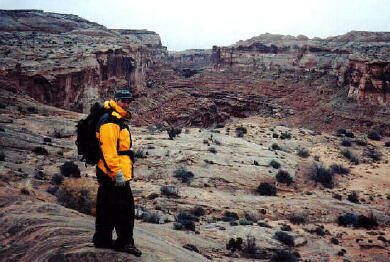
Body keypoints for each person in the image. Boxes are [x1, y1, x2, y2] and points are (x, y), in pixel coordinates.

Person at [92, 89, 142, 257]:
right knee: (125, 209)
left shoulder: (116, 118)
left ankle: (102, 239)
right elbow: (109, 150)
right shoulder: (110, 121)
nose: (126, 104)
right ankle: (125, 242)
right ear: (116, 100)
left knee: (106, 206)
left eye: (128, 101)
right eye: (122, 101)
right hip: (113, 173)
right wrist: (117, 173)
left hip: (108, 172)